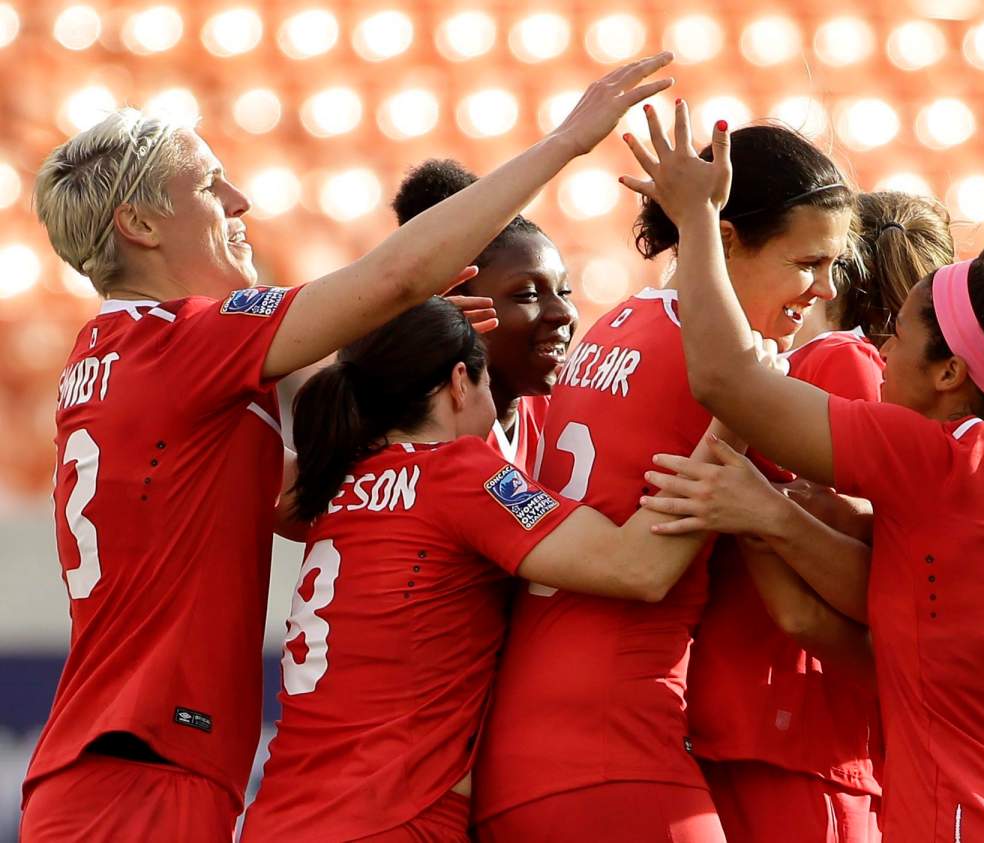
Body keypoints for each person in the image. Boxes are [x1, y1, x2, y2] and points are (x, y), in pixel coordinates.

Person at [19, 53, 675, 842]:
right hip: (148, 766)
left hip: (117, 762)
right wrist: (566, 141)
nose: (240, 200)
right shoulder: (185, 341)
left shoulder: (107, 356)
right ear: (142, 225)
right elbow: (392, 277)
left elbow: (280, 495)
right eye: (208, 184)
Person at [624, 101, 984, 840]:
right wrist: (792, 519)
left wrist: (697, 222)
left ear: (949, 373)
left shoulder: (938, 458)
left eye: (896, 336)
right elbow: (938, 611)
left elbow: (726, 379)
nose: (878, 353)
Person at [473, 118, 855, 842]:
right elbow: (832, 577)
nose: (824, 291)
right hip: (619, 750)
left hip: (522, 754)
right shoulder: (732, 369)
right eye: (808, 262)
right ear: (728, 237)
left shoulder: (611, 328)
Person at [240, 297, 733, 842]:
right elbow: (638, 566)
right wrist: (735, 414)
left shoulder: (332, 484)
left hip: (281, 818)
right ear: (458, 381)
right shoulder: (457, 471)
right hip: (389, 818)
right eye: (487, 385)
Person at [683, 190, 955, 843]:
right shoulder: (852, 368)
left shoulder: (794, 373)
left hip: (757, 723)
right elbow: (866, 588)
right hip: (802, 730)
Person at [392, 160, 578, 471]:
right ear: (452, 304)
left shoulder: (566, 414)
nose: (563, 312)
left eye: (565, 291)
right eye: (529, 295)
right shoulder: (408, 439)